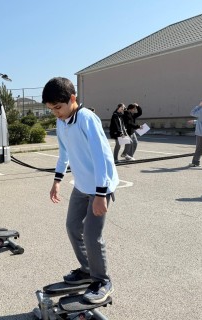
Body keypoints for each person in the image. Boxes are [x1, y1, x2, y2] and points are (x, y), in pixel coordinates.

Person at [43, 77, 119, 304]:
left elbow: (102, 157)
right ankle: (87, 270)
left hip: (99, 186)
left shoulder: (87, 119)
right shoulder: (62, 122)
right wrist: (57, 180)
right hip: (81, 185)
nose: (56, 113)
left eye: (58, 107)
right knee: (72, 226)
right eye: (51, 109)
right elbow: (64, 154)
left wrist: (101, 194)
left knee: (92, 235)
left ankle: (102, 281)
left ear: (72, 99)